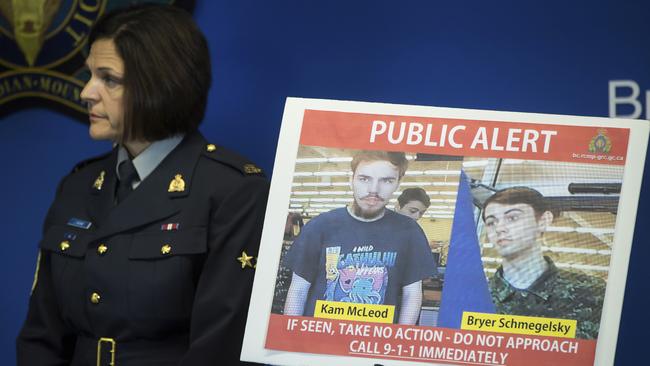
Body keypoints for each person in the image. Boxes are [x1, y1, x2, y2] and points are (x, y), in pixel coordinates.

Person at [16, 5, 268, 365]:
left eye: (109, 79)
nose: (87, 92)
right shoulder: (77, 185)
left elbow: (219, 348)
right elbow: (41, 337)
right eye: (89, 75)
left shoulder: (234, 191)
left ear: (162, 84)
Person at [283, 151, 436, 325]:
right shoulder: (320, 226)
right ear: (352, 179)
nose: (373, 189)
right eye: (364, 178)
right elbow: (298, 290)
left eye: (386, 180)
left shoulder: (409, 232)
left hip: (374, 343)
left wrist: (398, 339)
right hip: (318, 339)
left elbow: (412, 295)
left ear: (397, 183)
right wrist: (292, 336)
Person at [482, 186, 605, 339]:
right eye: (491, 222)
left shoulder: (593, 293)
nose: (499, 228)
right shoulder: (476, 297)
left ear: (543, 221)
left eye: (512, 218)